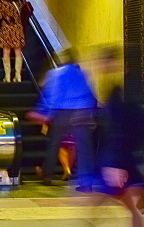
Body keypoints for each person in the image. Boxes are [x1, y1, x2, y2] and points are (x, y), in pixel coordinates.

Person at [92, 46, 144, 227]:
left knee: (131, 207)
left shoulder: (120, 95)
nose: (101, 67)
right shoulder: (117, 92)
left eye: (106, 63)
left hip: (121, 161)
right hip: (125, 159)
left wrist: (120, 160)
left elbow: (131, 127)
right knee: (133, 208)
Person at [34, 48, 98, 190]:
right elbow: (91, 95)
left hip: (61, 113)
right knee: (85, 148)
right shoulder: (83, 74)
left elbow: (51, 95)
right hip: (82, 113)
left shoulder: (55, 74)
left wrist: (43, 112)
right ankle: (86, 182)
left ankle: (47, 176)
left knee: (54, 144)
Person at [0, 0, 25, 83]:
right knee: (18, 52)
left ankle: (7, 76)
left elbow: (0, 16)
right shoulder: (19, 3)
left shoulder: (4, 3)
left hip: (7, 28)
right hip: (17, 28)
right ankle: (18, 76)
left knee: (6, 52)